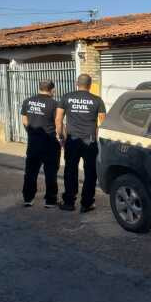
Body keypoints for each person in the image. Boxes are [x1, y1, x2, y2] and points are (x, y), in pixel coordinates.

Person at [56, 74, 106, 213]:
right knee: (90, 172)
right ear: (90, 85)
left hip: (72, 140)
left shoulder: (66, 97)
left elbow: (58, 119)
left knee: (70, 170)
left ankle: (69, 203)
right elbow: (103, 122)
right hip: (90, 141)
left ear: (77, 83)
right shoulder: (97, 100)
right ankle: (87, 203)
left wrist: (61, 137)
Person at [21, 80, 61, 208]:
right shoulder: (54, 104)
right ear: (52, 90)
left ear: (40, 88)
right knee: (50, 172)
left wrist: (30, 132)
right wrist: (62, 137)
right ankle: (50, 200)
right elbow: (58, 122)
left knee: (30, 172)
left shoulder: (27, 101)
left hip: (33, 143)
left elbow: (24, 119)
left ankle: (28, 198)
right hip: (49, 143)